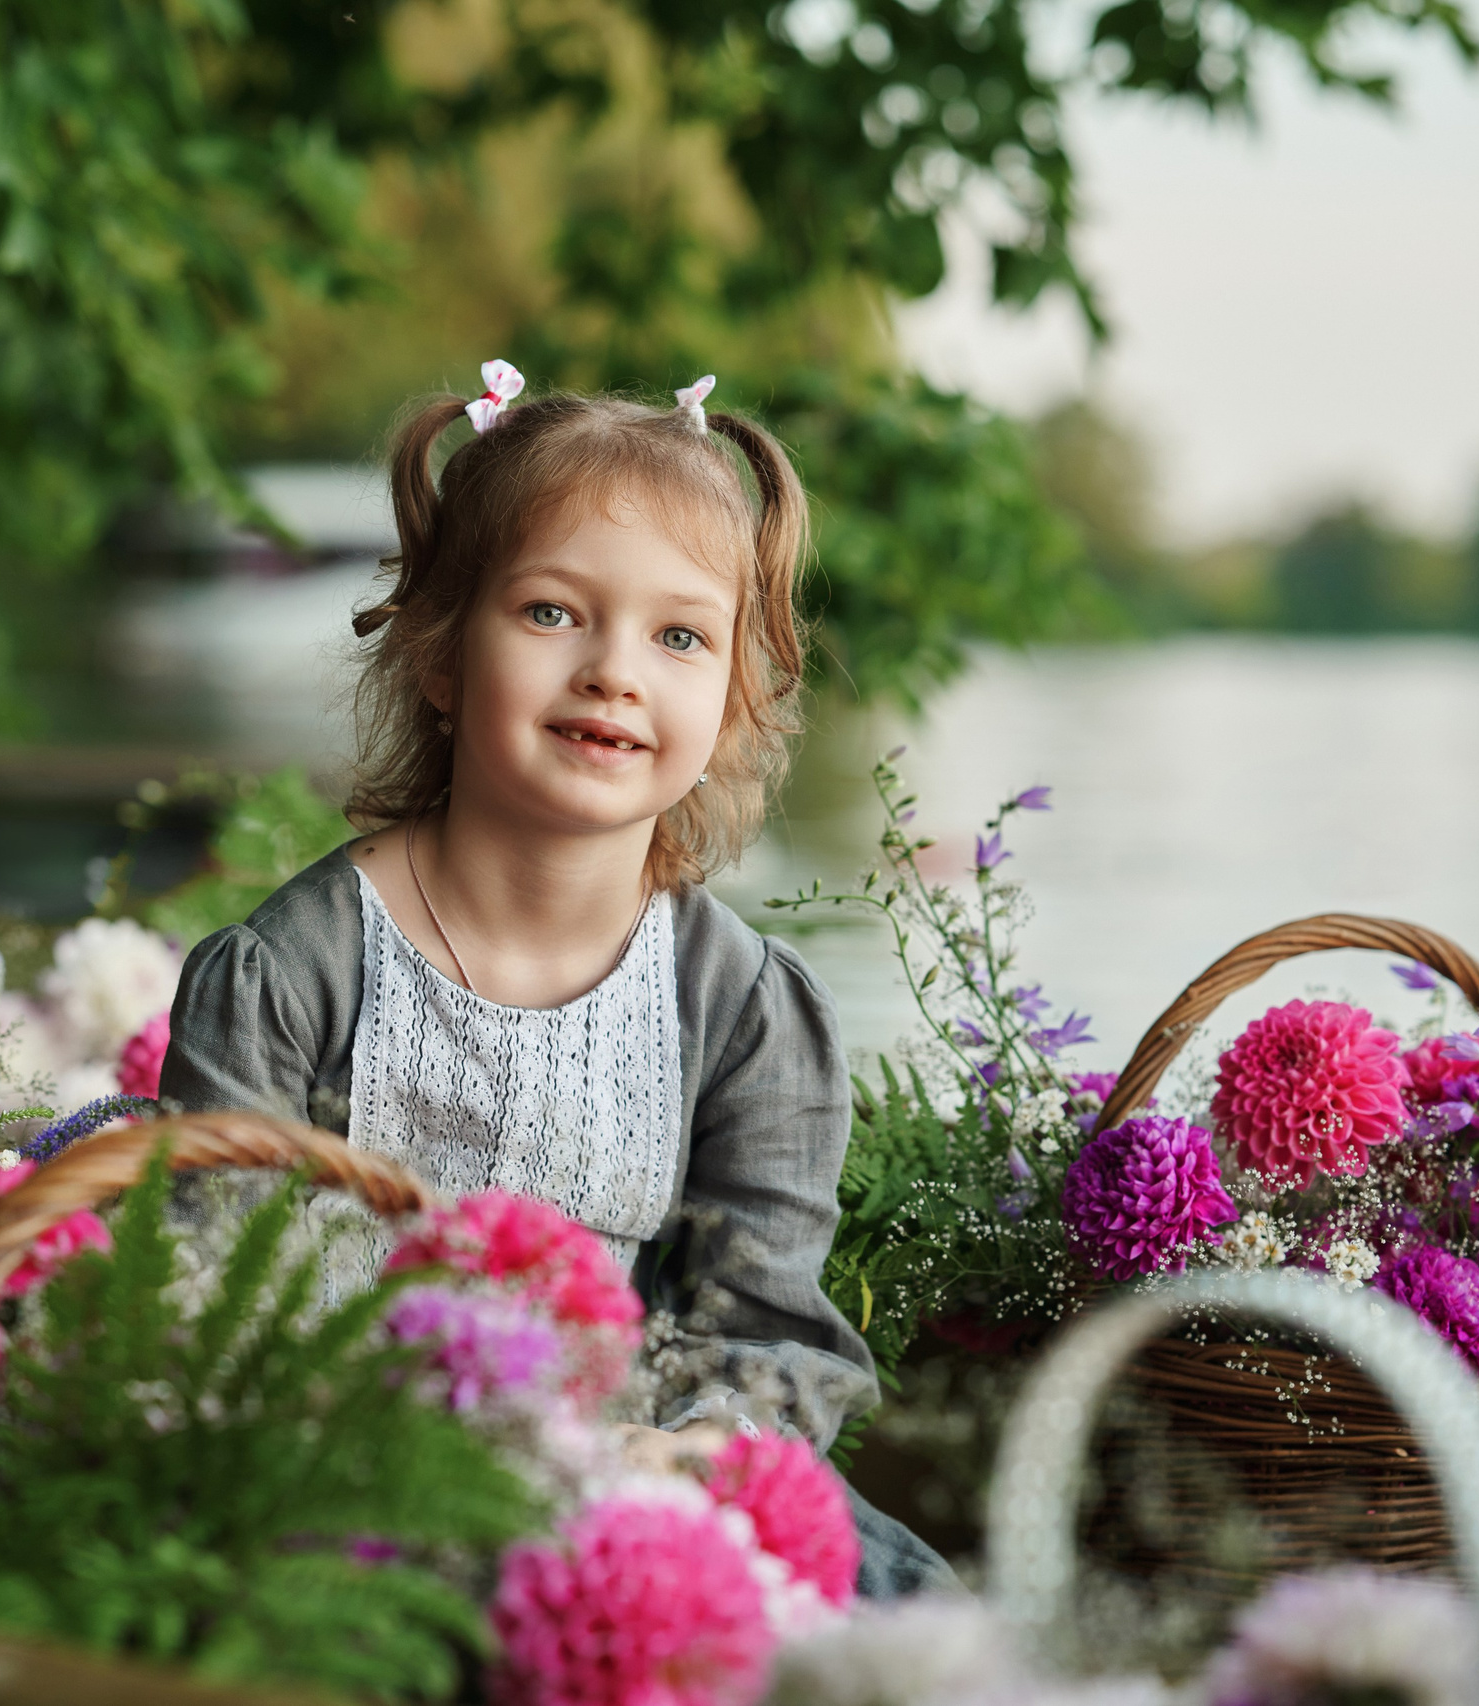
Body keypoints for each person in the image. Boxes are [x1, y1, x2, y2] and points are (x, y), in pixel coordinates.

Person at [159, 360, 954, 1597]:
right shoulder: (290, 972)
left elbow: (764, 1325)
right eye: (550, 612)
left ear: (734, 706)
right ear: (437, 653)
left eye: (680, 634)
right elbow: (210, 1289)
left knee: (886, 1619)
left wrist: (683, 1451)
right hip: (350, 1481)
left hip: (641, 1495)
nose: (612, 670)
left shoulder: (740, 1008)